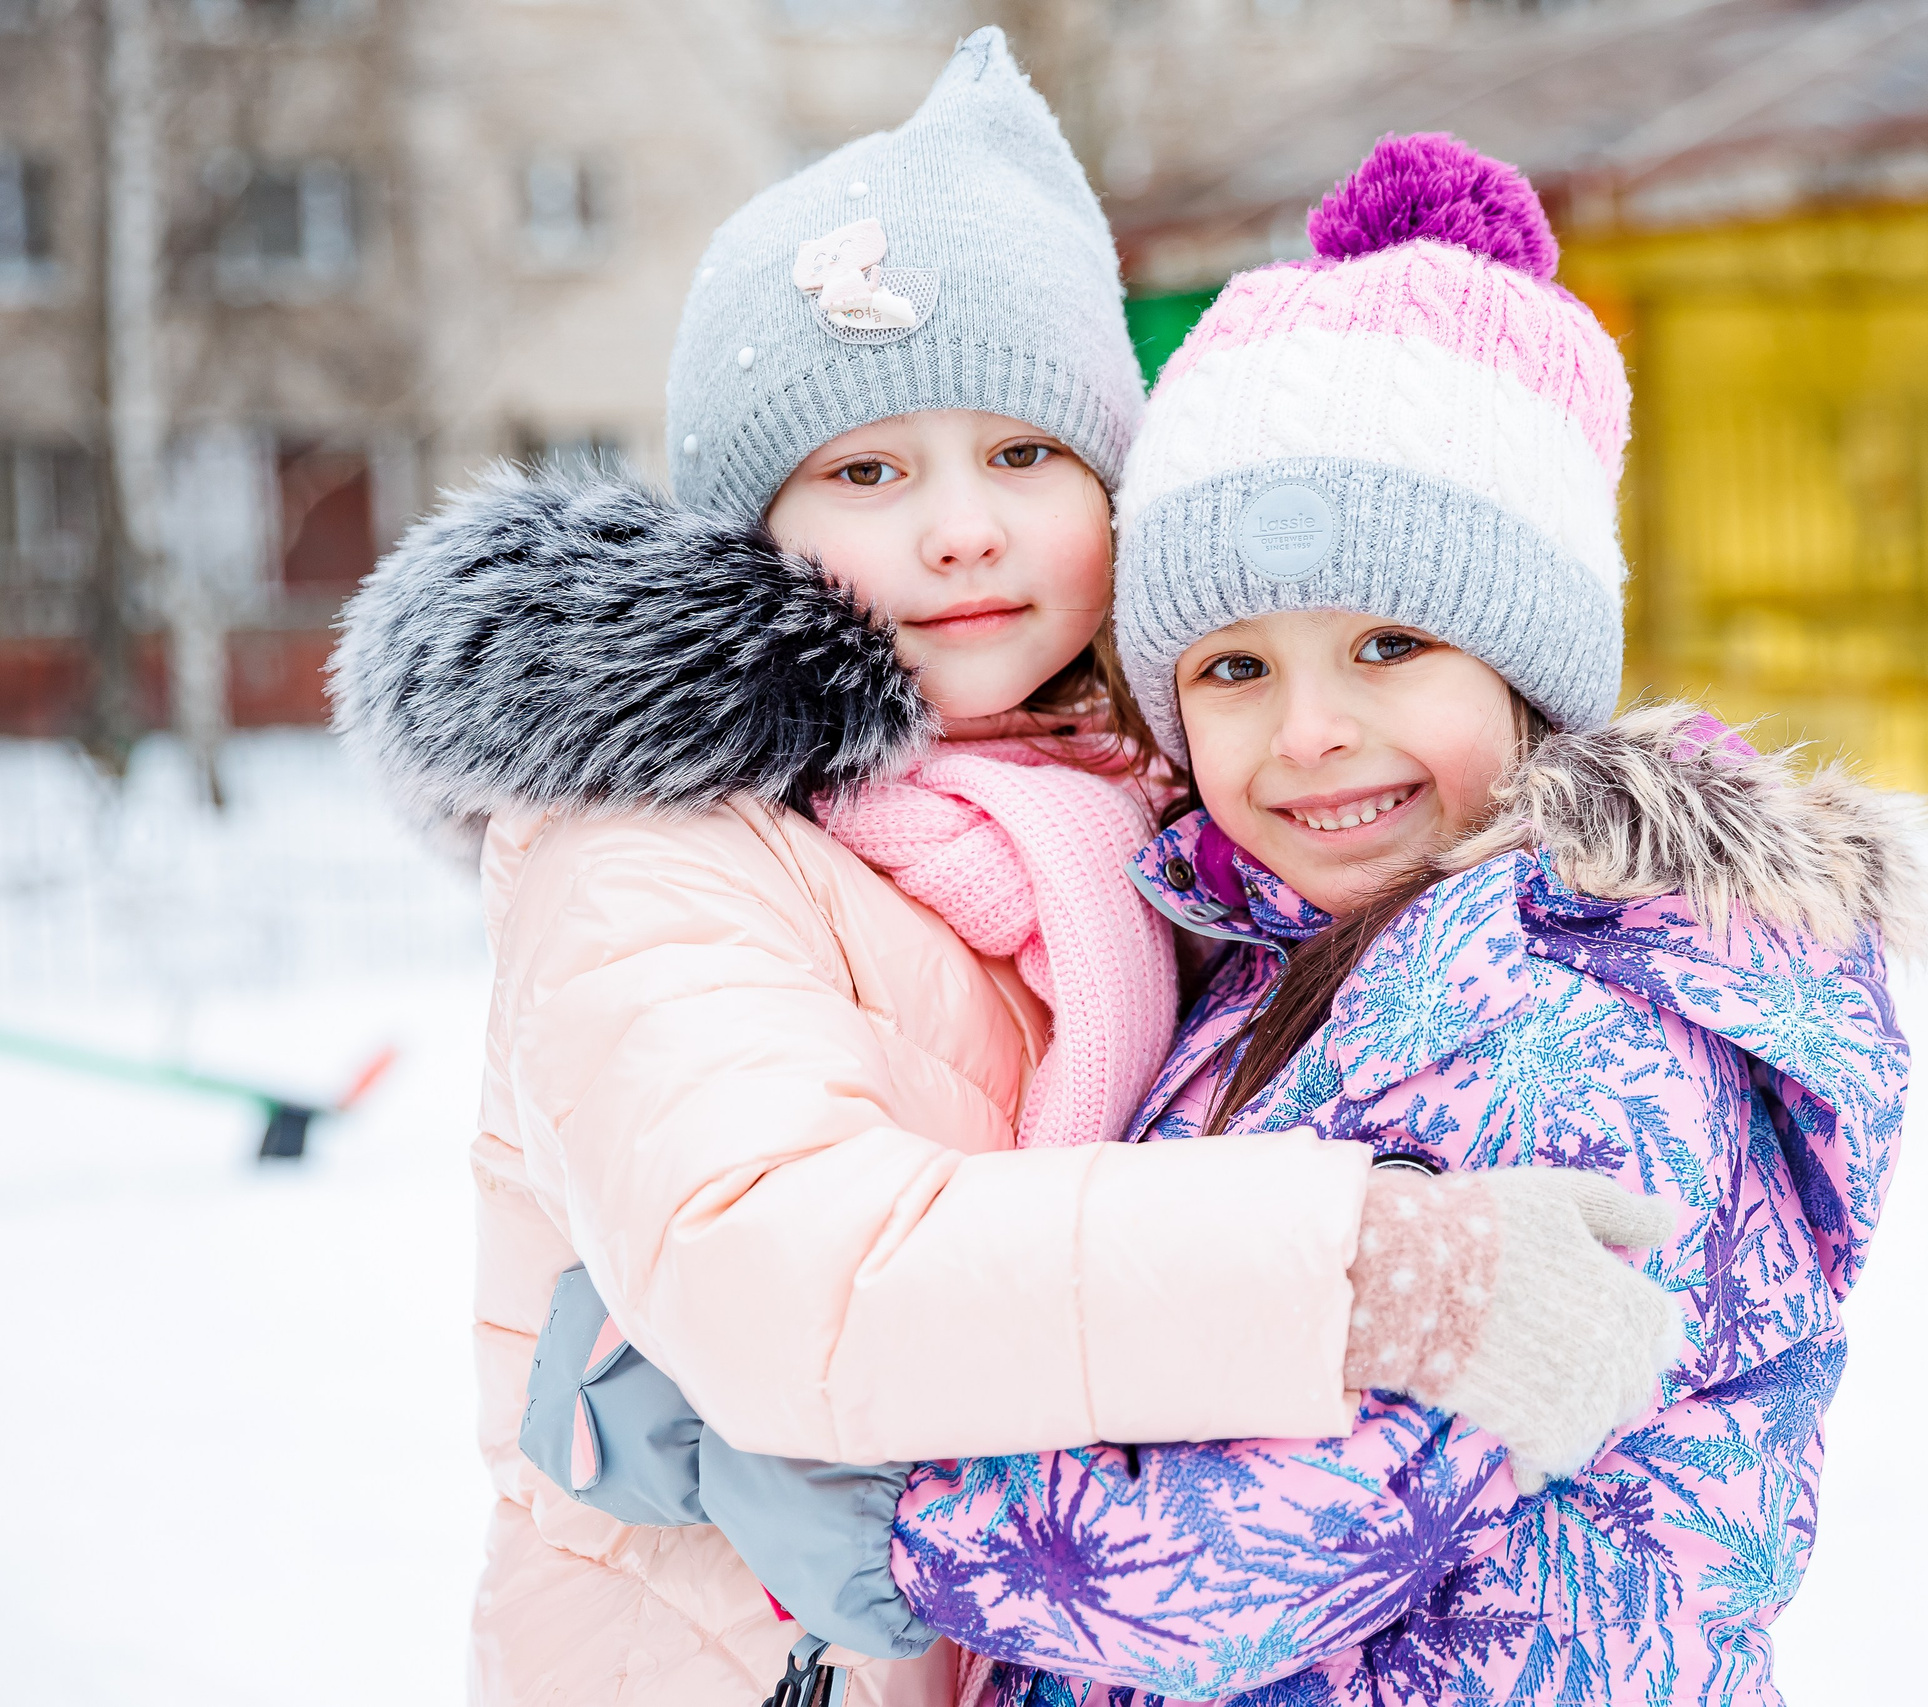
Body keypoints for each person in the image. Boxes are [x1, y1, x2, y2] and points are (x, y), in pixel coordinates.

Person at [330, 43, 1680, 1707]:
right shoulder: (652, 844)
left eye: (1028, 456)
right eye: (868, 472)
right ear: (756, 524)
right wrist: (1366, 1270)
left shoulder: (1161, 814)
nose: (961, 530)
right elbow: (793, 1274)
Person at [529, 134, 1928, 1707]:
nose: (1311, 733)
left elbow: (1264, 1554)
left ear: (1528, 672)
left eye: (1392, 645)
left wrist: (890, 1521)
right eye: (1235, 669)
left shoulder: (1581, 1020)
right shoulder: (1275, 944)